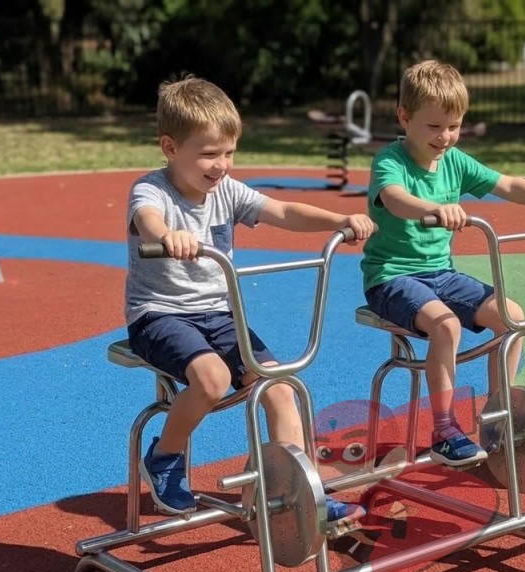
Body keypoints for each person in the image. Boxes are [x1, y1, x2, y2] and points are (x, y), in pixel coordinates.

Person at [125, 75, 375, 531]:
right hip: (159, 314)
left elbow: (282, 211)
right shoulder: (152, 190)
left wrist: (338, 219)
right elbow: (148, 220)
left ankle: (302, 491)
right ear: (169, 147)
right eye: (209, 154)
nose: (221, 165)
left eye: (229, 153)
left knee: (280, 386)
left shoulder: (227, 191)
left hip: (219, 316)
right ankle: (163, 457)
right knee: (212, 378)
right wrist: (169, 236)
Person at [361, 59, 525, 468]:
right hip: (391, 277)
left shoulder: (455, 161)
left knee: (513, 317)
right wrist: (433, 209)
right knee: (446, 325)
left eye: (453, 126)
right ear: (404, 117)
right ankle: (444, 430)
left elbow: (508, 185)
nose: (445, 137)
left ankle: (499, 412)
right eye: (434, 127)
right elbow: (396, 199)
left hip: (441, 274)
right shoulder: (390, 161)